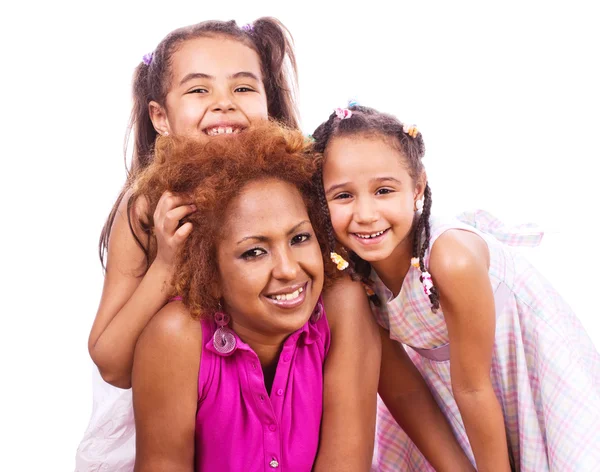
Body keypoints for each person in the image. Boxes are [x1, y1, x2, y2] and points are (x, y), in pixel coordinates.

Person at [76, 19, 380, 471]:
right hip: (185, 395)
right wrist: (166, 265)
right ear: (160, 116)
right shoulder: (149, 208)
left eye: (243, 88)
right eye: (199, 91)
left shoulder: (295, 183)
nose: (223, 105)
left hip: (286, 389)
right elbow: (114, 365)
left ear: (268, 102)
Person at [311, 104, 600, 471]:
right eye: (343, 196)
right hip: (453, 391)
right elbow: (404, 391)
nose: (366, 214)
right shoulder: (355, 280)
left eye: (383, 190)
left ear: (417, 187)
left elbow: (475, 388)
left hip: (519, 369)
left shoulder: (450, 260)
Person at [131, 123, 353, 471]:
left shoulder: (342, 309)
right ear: (210, 273)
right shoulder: (176, 338)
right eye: (254, 252)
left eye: (299, 239)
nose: (288, 269)